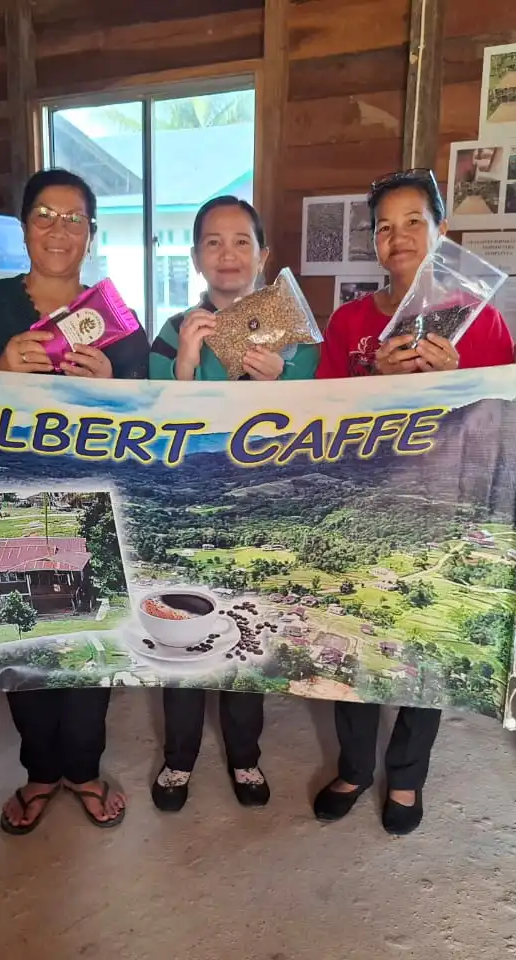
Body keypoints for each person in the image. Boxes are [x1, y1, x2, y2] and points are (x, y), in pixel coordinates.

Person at [0, 168, 149, 834]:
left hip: (91, 503)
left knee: (88, 638)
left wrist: (112, 380)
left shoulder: (117, 320)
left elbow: (151, 417)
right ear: (25, 226)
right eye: (45, 216)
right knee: (22, 636)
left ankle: (83, 769)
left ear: (92, 232)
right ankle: (40, 773)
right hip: (4, 499)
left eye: (74, 218)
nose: (60, 230)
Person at [312, 169, 514, 834]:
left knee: (425, 642)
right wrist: (376, 378)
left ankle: (407, 776)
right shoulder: (350, 322)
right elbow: (321, 418)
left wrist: (455, 378)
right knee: (354, 641)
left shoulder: (482, 322)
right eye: (384, 226)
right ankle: (354, 764)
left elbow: (500, 419)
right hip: (361, 503)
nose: (397, 237)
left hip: (443, 503)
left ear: (441, 232)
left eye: (413, 222)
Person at [147, 196, 319, 812]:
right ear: (195, 257)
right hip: (188, 507)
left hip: (262, 510)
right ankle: (178, 759)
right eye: (213, 242)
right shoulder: (172, 330)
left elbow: (315, 418)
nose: (228, 254)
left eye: (242, 241)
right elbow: (154, 422)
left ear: (264, 256)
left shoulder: (297, 331)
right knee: (182, 634)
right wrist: (188, 364)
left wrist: (283, 382)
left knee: (245, 636)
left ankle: (246, 757)